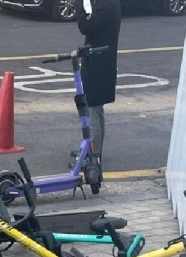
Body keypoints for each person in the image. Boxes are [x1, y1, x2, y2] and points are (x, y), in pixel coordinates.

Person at [74, 0, 121, 185]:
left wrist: (79, 4)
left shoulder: (106, 3)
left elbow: (86, 26)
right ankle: (95, 152)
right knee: (97, 110)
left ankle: (94, 158)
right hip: (100, 61)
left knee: (92, 109)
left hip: (98, 63)